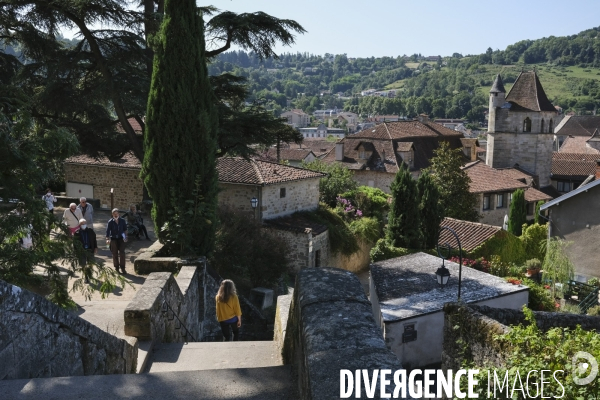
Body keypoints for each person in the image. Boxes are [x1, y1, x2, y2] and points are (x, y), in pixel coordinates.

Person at [74, 218, 98, 284]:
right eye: (82, 224)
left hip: (90, 250)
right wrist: (76, 252)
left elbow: (94, 240)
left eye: (85, 223)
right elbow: (75, 243)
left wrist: (95, 247)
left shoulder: (90, 231)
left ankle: (90, 274)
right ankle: (86, 277)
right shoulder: (77, 233)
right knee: (83, 264)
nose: (84, 225)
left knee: (91, 263)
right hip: (82, 251)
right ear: (79, 225)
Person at [106, 208, 128, 274]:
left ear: (119, 214)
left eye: (117, 213)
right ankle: (117, 268)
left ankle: (123, 268)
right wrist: (107, 239)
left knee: (122, 253)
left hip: (121, 239)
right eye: (114, 214)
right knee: (114, 254)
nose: (115, 215)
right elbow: (107, 231)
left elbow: (125, 229)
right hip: (113, 239)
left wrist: (125, 237)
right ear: (112, 214)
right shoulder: (110, 222)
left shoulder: (122, 221)